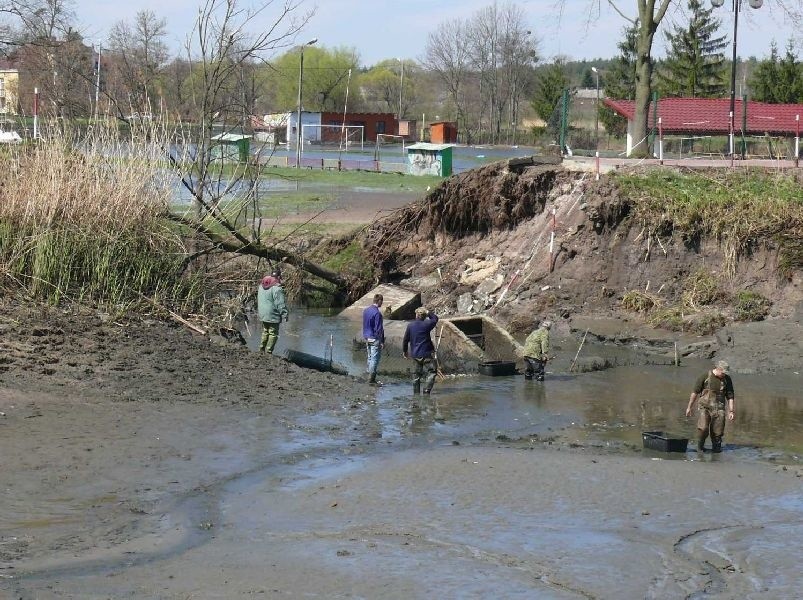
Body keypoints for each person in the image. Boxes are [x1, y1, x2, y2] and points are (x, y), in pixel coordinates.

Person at [686, 360, 735, 453]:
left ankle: (716, 450)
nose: (724, 375)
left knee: (718, 431)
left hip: (719, 408)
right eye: (723, 373)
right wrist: (689, 407)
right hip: (705, 407)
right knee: (703, 428)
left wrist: (731, 411)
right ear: (718, 369)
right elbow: (695, 392)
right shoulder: (705, 376)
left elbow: (730, 396)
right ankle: (700, 447)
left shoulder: (727, 379)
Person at [402, 307, 439, 394]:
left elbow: (405, 340)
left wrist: (405, 351)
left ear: (416, 315)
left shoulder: (410, 326)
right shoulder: (427, 324)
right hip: (426, 354)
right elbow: (435, 318)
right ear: (424, 316)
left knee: (416, 376)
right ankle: (426, 390)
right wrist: (428, 312)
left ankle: (416, 395)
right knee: (432, 372)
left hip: (415, 354)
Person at [257, 268, 289, 354]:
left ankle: (261, 350)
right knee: (273, 333)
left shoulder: (261, 285)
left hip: (262, 313)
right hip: (272, 314)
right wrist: (285, 314)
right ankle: (268, 352)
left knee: (265, 331)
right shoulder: (277, 288)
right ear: (278, 277)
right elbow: (280, 304)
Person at [362, 293, 385, 385]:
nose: (382, 303)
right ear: (379, 301)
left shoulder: (366, 310)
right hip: (374, 338)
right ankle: (371, 378)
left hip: (367, 336)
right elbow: (379, 329)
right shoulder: (377, 313)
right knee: (375, 358)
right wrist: (382, 341)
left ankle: (368, 373)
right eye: (381, 301)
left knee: (370, 357)